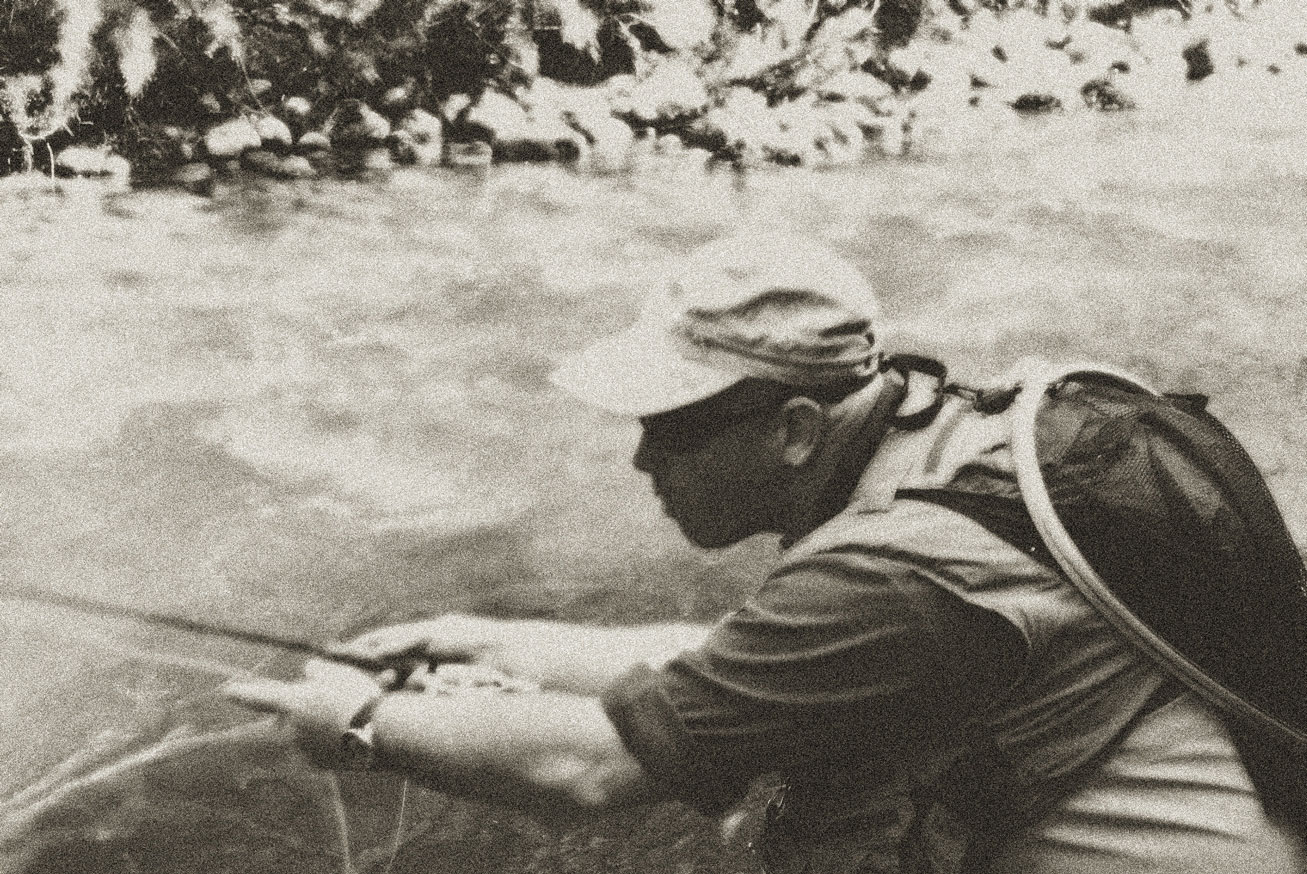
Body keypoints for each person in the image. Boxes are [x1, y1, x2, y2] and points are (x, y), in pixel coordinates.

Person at [225, 234, 1307, 873]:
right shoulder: (968, 437)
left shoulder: (896, 574)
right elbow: (753, 661)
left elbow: (587, 768)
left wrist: (360, 724)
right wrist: (492, 641)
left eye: (671, 429)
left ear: (793, 429)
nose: (641, 459)